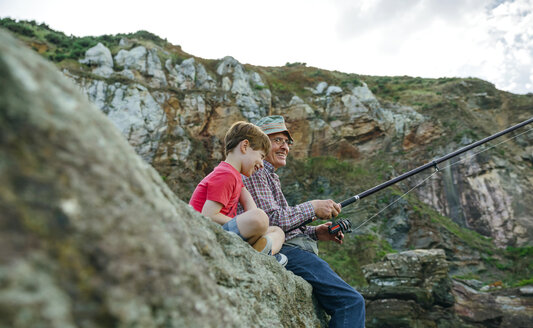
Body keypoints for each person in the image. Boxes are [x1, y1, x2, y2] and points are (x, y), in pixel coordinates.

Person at [240, 115, 365, 328]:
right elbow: (270, 220)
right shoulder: (257, 172)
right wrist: (313, 207)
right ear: (259, 143)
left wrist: (317, 232)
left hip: (285, 245)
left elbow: (281, 221)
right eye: (277, 140)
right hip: (285, 251)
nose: (285, 147)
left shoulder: (269, 175)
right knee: (351, 303)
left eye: (287, 142)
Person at [189, 121, 287, 265]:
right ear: (244, 146)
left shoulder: (236, 178)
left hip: (224, 232)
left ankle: (263, 252)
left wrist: (256, 224)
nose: (261, 164)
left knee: (277, 231)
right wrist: (250, 223)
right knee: (259, 219)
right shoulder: (225, 175)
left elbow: (254, 211)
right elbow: (207, 215)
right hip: (204, 232)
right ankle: (261, 253)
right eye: (260, 156)